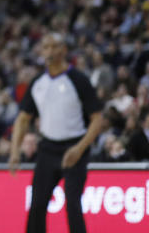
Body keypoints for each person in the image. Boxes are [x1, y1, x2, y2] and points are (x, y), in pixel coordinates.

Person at [9, 33, 105, 233]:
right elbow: (23, 118)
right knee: (36, 206)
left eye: (54, 47)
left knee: (72, 205)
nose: (50, 51)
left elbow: (98, 119)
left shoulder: (78, 80)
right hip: (47, 148)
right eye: (46, 47)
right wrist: (14, 151)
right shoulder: (37, 82)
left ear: (64, 50)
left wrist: (79, 149)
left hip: (74, 148)